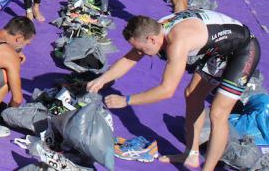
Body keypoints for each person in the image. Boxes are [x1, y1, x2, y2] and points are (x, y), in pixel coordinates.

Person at [88, 12, 261, 171]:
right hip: (220, 50)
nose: (141, 54)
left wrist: (126, 100)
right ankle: (191, 155)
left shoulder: (177, 42)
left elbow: (167, 90)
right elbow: (129, 59)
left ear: (152, 39)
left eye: (142, 49)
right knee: (192, 96)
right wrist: (102, 79)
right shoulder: (156, 28)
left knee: (218, 113)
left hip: (243, 50)